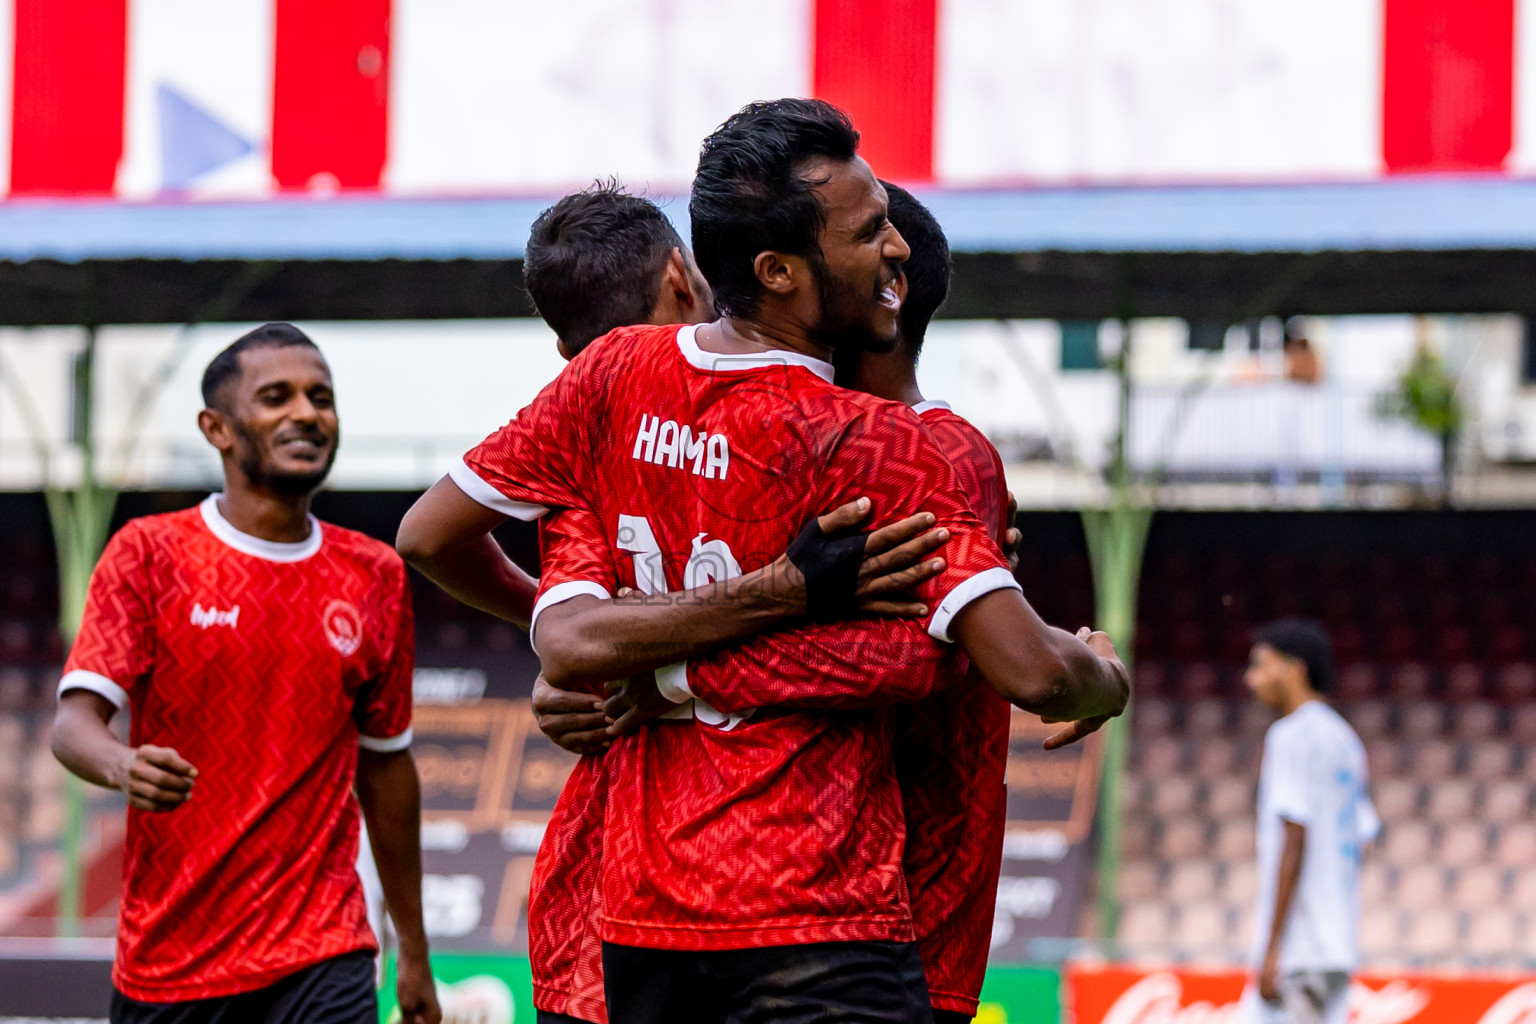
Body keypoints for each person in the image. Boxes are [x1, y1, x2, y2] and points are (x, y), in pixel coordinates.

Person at [399, 98, 1128, 1023]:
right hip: (825, 912)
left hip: (633, 921)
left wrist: (636, 656)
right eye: (869, 235)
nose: (887, 250)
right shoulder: (904, 455)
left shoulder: (616, 388)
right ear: (777, 271)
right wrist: (1095, 671)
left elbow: (525, 604)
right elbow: (993, 668)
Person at [50, 324, 440, 1024]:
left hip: (323, 949)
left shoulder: (375, 574)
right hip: (171, 961)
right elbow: (74, 723)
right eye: (276, 397)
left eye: (321, 397)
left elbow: (386, 768)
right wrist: (119, 764)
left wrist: (412, 948)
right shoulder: (150, 555)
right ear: (217, 428)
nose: (307, 413)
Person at [833, 182, 1011, 1024]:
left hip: (895, 932)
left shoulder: (939, 454)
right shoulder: (821, 437)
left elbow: (907, 664)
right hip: (824, 927)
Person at [1242, 619, 1379, 1024]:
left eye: (1260, 665)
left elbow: (1294, 836)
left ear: (1294, 669)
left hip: (1299, 949)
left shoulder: (1290, 736)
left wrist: (1273, 946)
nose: (1252, 680)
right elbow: (1364, 838)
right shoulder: (1346, 740)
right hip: (1335, 944)